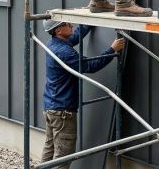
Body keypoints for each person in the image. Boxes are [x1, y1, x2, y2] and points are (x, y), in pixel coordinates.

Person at [41, 19, 125, 167]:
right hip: (63, 112)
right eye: (67, 24)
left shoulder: (54, 44)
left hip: (51, 107)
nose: (71, 25)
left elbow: (74, 36)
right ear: (58, 31)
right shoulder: (64, 52)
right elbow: (90, 65)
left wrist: (88, 23)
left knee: (50, 148)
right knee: (63, 155)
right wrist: (112, 50)